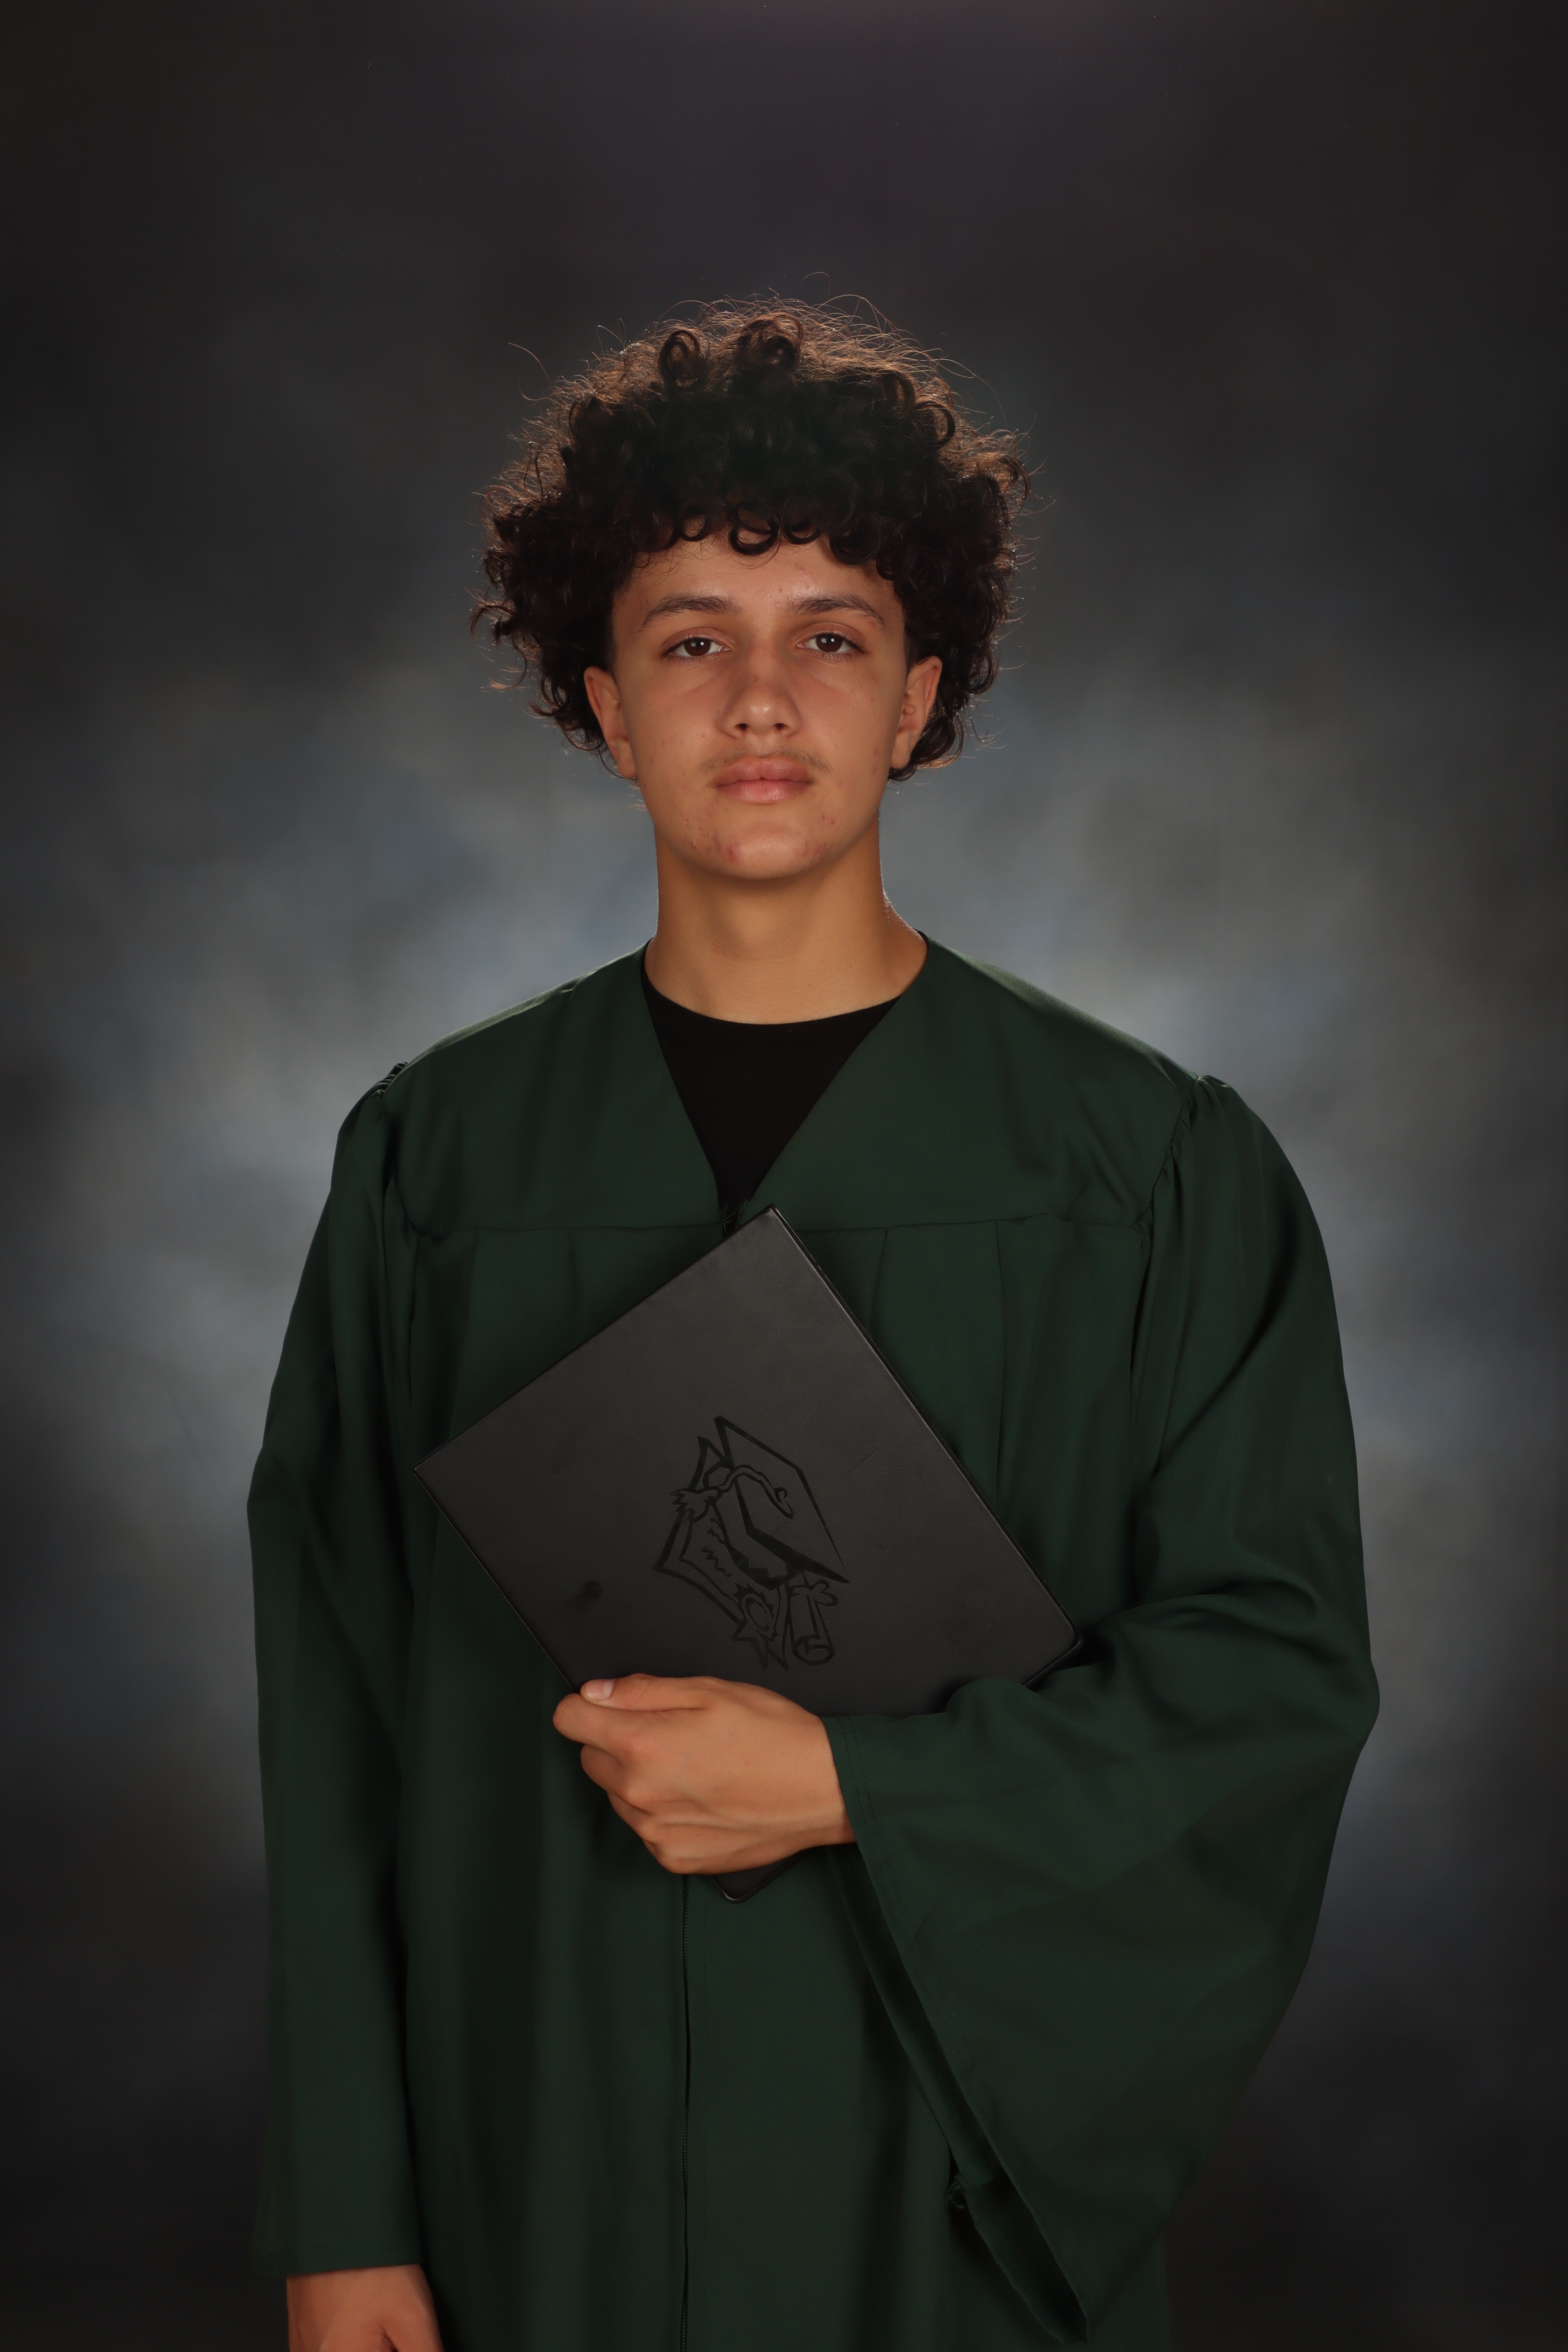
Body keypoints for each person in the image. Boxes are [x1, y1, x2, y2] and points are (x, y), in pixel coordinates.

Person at [252, 306, 1377, 2352]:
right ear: (604, 704)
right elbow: (336, 1708)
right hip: (537, 2175)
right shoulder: (436, 1163)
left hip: (942, 2188)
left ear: (919, 695)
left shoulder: (1149, 1173)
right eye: (691, 637)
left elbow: (1264, 1683)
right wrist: (345, 2214)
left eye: (830, 635)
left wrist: (867, 1785)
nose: (759, 697)